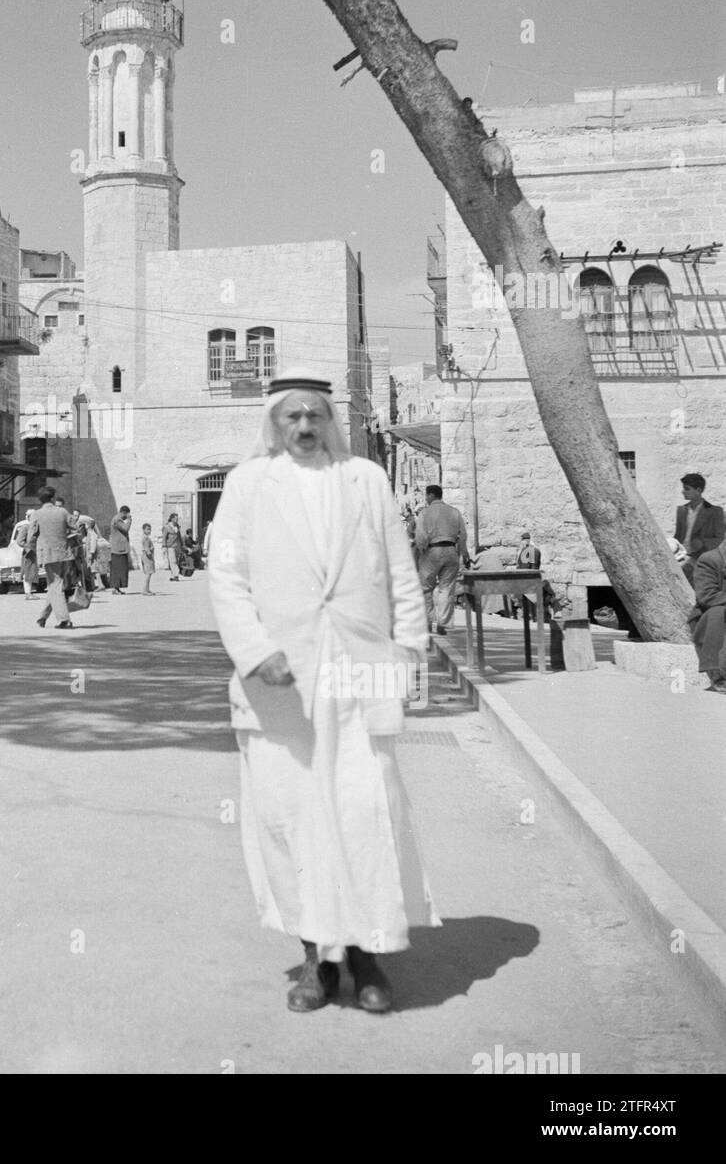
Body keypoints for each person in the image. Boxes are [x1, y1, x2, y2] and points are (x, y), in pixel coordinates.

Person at [209, 367, 437, 1015]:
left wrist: (410, 656)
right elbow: (226, 581)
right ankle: (314, 959)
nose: (305, 427)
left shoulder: (365, 479)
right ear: (275, 423)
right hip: (280, 685)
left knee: (365, 815)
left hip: (361, 678)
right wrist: (256, 653)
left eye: (315, 415)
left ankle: (365, 954)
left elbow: (400, 578)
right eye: (292, 417)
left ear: (330, 420)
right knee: (292, 819)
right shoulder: (249, 484)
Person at [413, 484, 468, 636]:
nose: (426, 498)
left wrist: (421, 549)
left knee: (425, 587)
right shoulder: (455, 512)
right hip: (451, 551)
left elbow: (421, 536)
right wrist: (464, 552)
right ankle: (443, 623)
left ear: (431, 495)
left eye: (426, 495)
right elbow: (462, 535)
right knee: (447, 589)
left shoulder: (425, 513)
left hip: (432, 551)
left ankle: (428, 621)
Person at [27, 487, 75, 629]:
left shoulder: (37, 514)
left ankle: (64, 619)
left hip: (47, 554)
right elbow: (76, 528)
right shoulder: (63, 512)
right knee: (54, 585)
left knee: (55, 585)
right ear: (53, 498)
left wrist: (30, 548)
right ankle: (43, 617)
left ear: (40, 499)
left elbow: (31, 536)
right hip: (64, 553)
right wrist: (66, 539)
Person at [674, 473, 725, 585]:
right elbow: (677, 536)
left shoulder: (715, 511)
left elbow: (720, 539)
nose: (683, 491)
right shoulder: (681, 510)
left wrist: (702, 542)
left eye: (687, 489)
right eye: (683, 488)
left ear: (698, 490)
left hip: (700, 557)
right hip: (680, 556)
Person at [690, 542, 726, 694]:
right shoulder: (709, 560)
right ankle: (718, 675)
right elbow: (707, 596)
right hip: (712, 615)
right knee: (719, 612)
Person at [13, 510, 39, 598]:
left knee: (32, 572)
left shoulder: (35, 527)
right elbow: (19, 540)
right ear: (28, 517)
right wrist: (27, 548)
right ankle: (28, 593)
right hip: (29, 553)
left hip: (35, 552)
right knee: (27, 572)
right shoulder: (25, 527)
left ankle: (30, 592)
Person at [108, 506, 133, 593]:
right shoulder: (117, 520)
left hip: (119, 548)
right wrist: (129, 520)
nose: (127, 516)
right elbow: (125, 529)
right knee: (118, 569)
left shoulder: (118, 519)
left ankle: (117, 588)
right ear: (123, 512)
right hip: (118, 549)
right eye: (126, 514)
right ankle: (115, 588)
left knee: (120, 569)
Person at [162, 512, 184, 580]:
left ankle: (172, 576)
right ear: (172, 519)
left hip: (177, 545)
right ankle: (176, 575)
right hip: (170, 546)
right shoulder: (167, 526)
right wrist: (164, 546)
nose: (177, 520)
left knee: (176, 561)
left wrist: (182, 544)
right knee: (172, 560)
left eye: (177, 519)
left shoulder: (177, 526)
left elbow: (179, 535)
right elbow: (164, 537)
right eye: (175, 518)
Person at [139, 522, 156, 594]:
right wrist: (150, 555)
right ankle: (144, 590)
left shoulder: (146, 538)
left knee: (149, 574)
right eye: (147, 529)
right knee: (148, 574)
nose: (149, 531)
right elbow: (147, 549)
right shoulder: (146, 539)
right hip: (147, 557)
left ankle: (147, 589)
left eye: (150, 529)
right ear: (143, 530)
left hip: (146, 556)